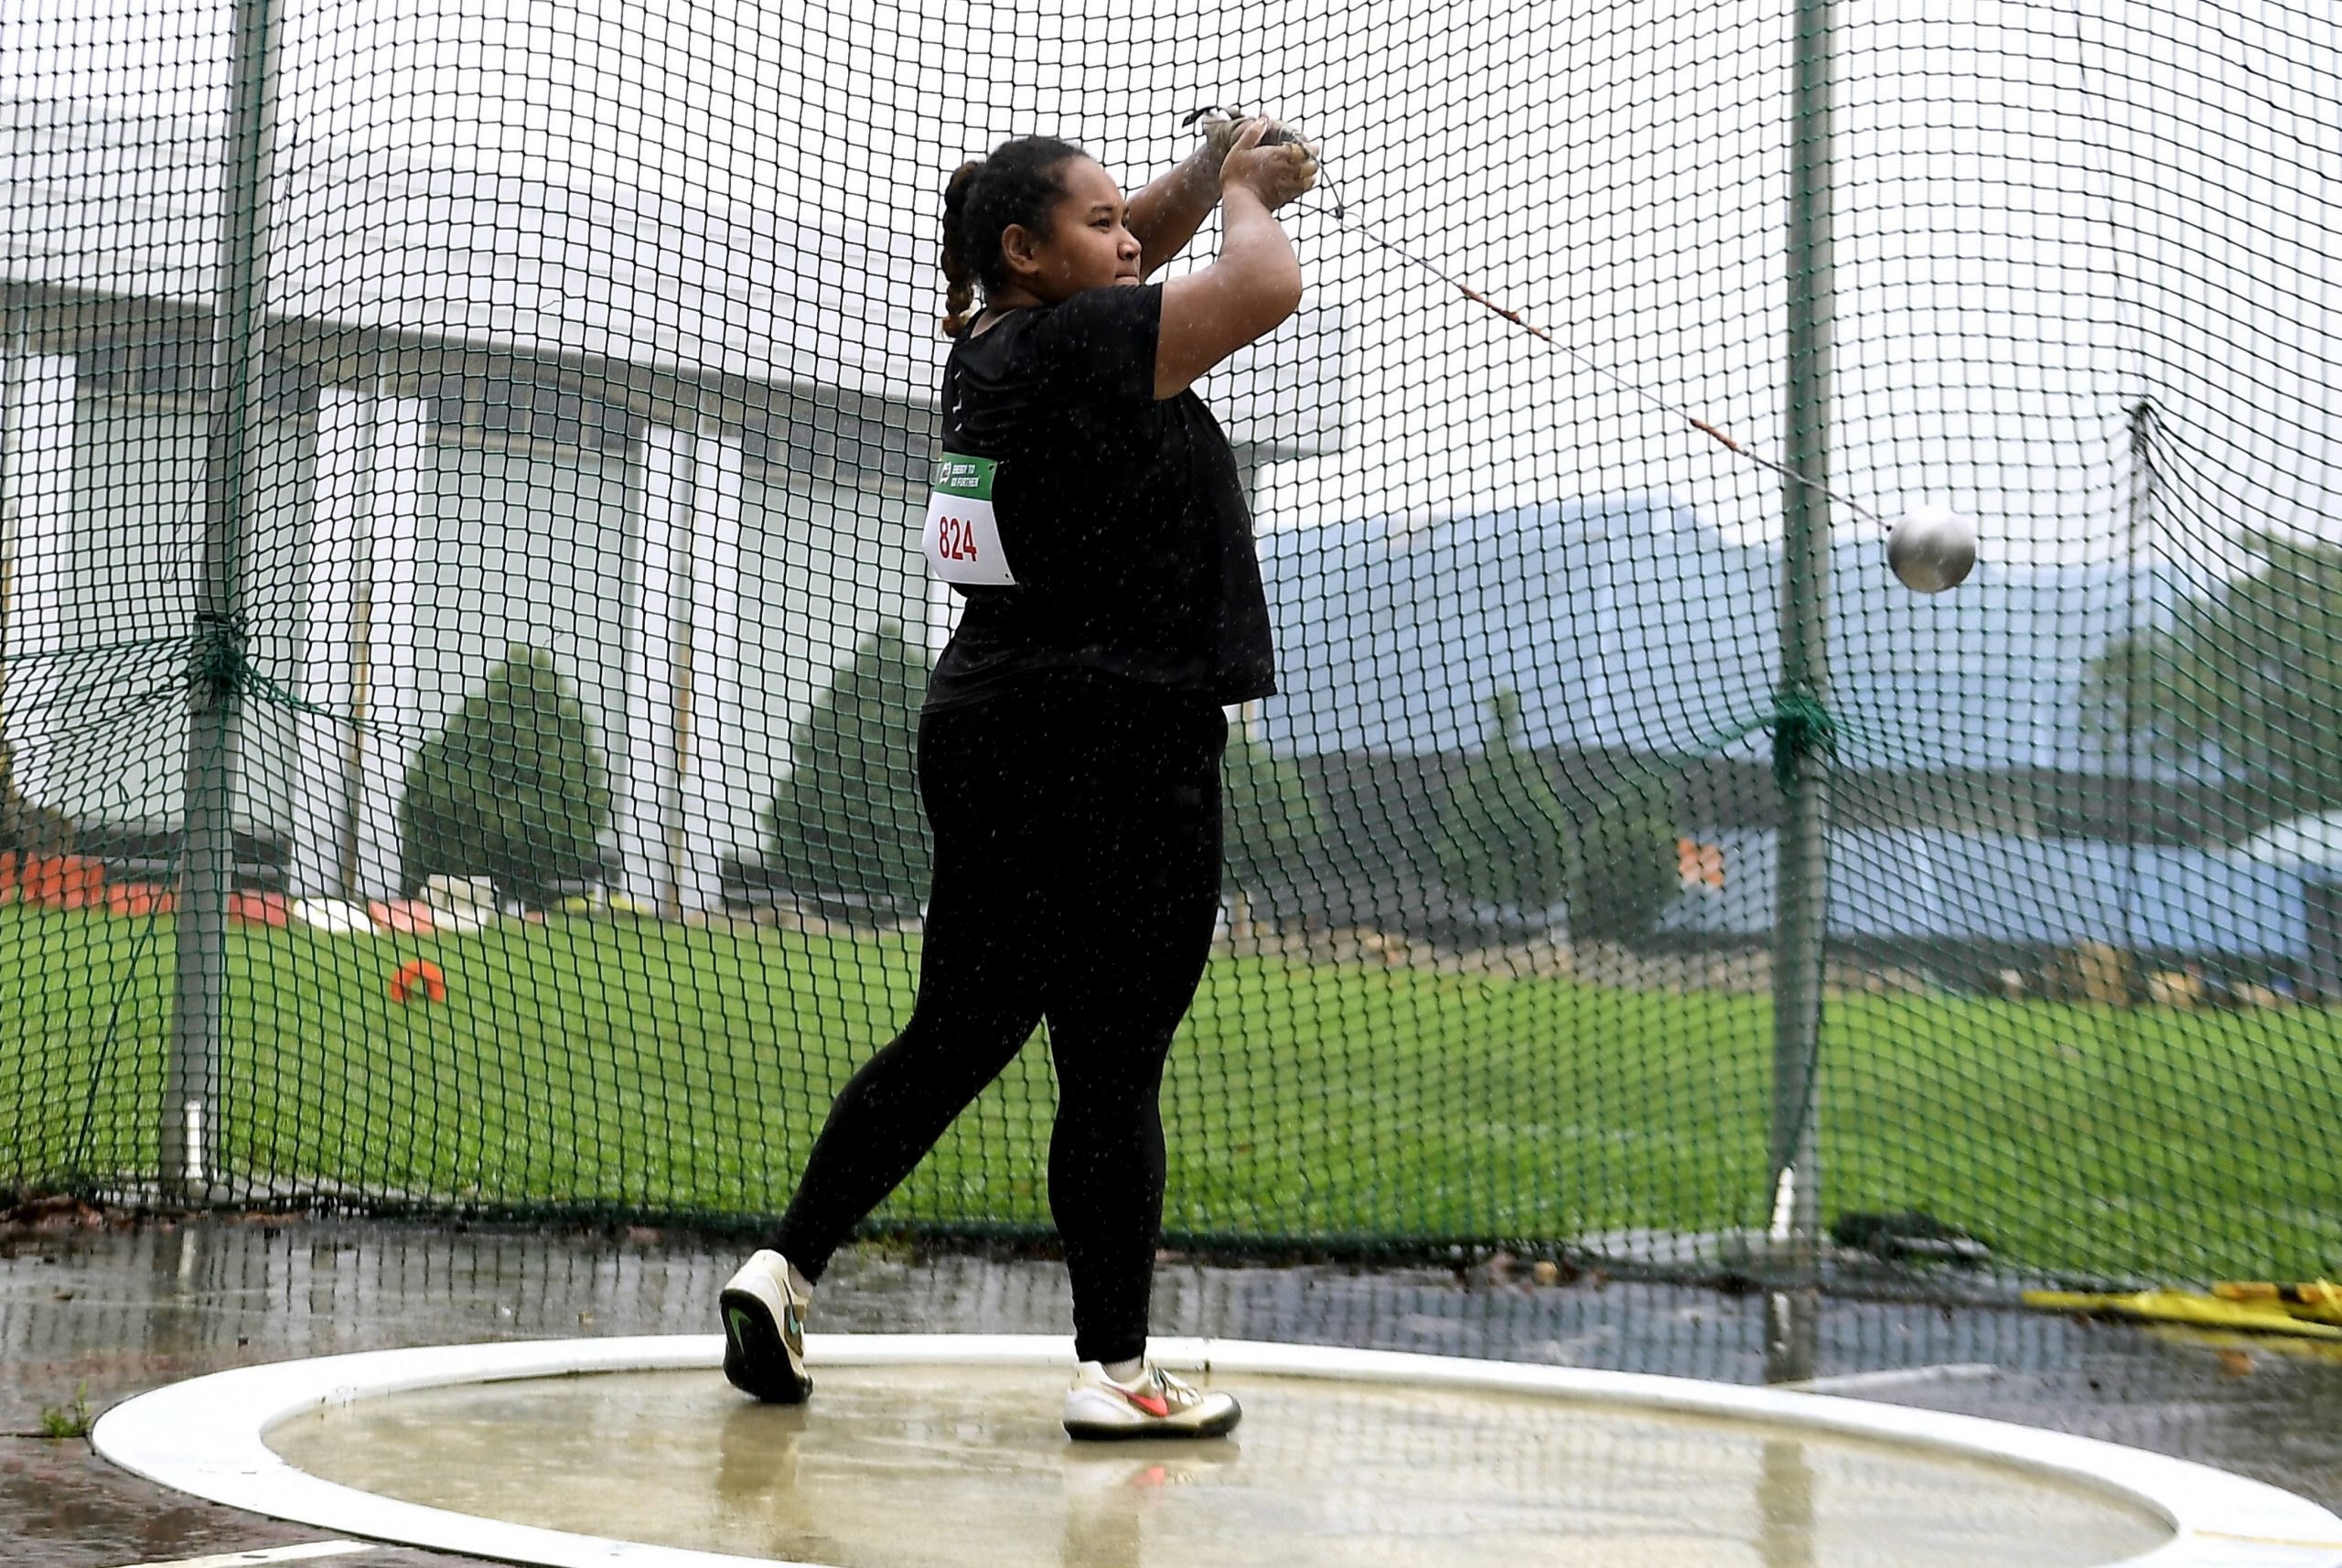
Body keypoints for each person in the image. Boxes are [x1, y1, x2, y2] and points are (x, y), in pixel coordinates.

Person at [719, 116, 1317, 1440]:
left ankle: (784, 1267)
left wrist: (1187, 175)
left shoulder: (996, 345)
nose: (1128, 238)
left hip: (991, 724)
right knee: (1113, 1061)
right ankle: (1116, 1373)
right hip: (1118, 741)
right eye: (1098, 223)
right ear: (1023, 249)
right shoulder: (1088, 340)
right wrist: (1245, 191)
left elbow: (1122, 256)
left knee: (961, 1030)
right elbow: (1261, 282)